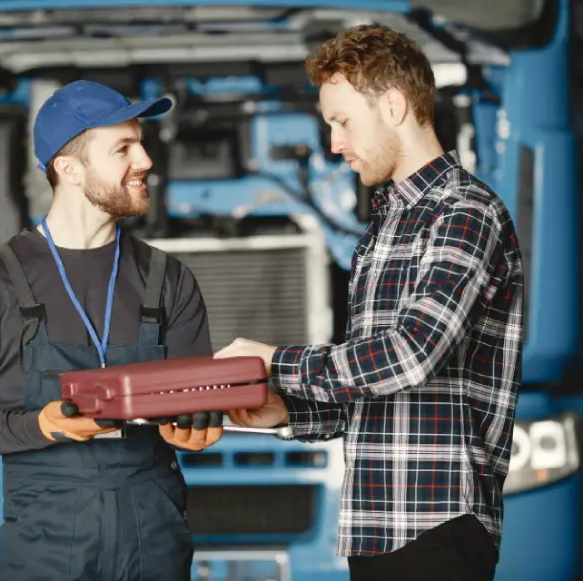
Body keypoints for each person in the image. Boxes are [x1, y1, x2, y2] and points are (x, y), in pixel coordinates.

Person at [215, 24, 524, 581]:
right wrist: (291, 412)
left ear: (395, 105)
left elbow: (411, 356)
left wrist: (274, 361)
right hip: (377, 524)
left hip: (438, 523)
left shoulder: (465, 213)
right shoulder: (382, 228)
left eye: (342, 121)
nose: (334, 143)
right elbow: (375, 390)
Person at [0, 80, 223, 581]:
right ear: (68, 169)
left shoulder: (168, 279)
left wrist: (201, 423)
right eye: (123, 148)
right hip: (46, 543)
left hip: (153, 536)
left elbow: (200, 402)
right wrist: (41, 425)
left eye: (142, 142)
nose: (146, 161)